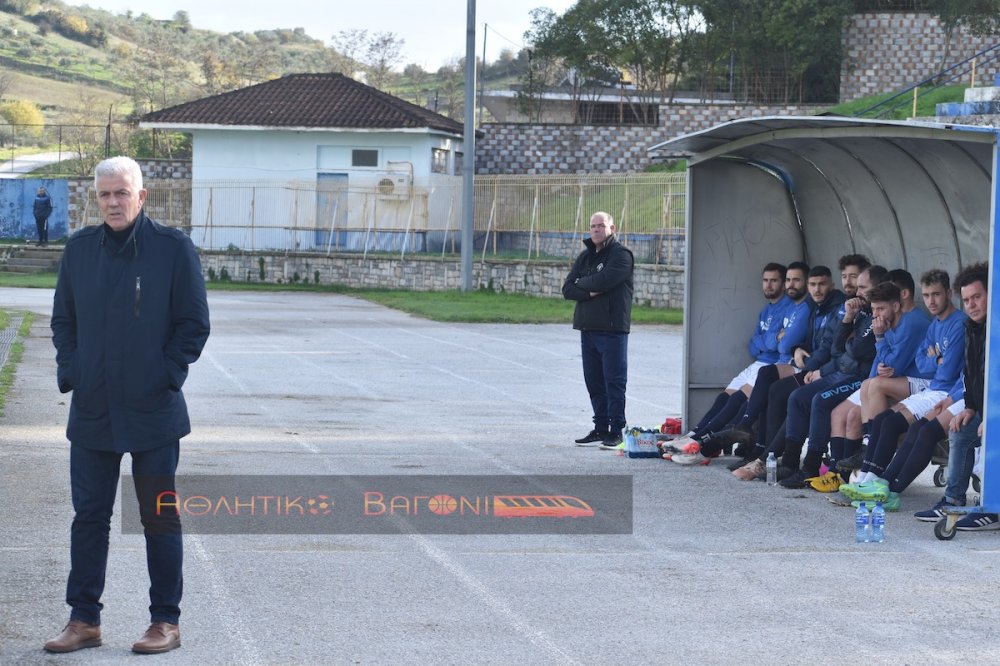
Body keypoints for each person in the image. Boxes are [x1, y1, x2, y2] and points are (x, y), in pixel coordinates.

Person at [46, 156, 211, 654]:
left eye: (122, 193)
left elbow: (193, 324)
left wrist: (165, 375)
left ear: (142, 196)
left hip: (153, 410)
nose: (113, 202)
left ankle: (165, 622)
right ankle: (84, 619)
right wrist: (74, 371)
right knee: (88, 516)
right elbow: (63, 321)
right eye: (104, 195)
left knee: (159, 515)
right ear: (95, 199)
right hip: (93, 410)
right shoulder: (79, 250)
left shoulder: (172, 249)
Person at [837, 269, 965, 502]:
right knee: (884, 420)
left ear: (949, 293)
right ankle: (867, 478)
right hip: (934, 386)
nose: (931, 301)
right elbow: (921, 361)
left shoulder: (958, 323)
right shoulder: (935, 324)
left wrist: (933, 359)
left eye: (936, 294)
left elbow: (946, 370)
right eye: (926, 295)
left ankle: (878, 484)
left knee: (894, 423)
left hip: (945, 390)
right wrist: (936, 359)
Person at [665, 262, 789, 463]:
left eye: (774, 281)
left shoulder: (789, 308)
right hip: (757, 363)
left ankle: (701, 444)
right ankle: (693, 434)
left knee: (736, 401)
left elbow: (773, 345)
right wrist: (770, 340)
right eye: (766, 280)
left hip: (772, 366)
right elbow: (754, 344)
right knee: (723, 398)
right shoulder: (766, 311)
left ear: (783, 284)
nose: (768, 285)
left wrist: (767, 341)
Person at [914, 262, 995, 530]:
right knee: (960, 428)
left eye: (977, 297)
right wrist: (971, 407)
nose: (971, 305)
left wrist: (993, 415)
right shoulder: (972, 327)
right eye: (967, 299)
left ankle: (993, 509)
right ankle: (954, 502)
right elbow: (972, 374)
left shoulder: (995, 327)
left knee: (991, 433)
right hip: (985, 407)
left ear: (991, 293)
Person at [564, 211, 635, 449]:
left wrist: (582, 285)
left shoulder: (621, 255)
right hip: (588, 328)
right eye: (592, 226)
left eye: (601, 226)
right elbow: (567, 289)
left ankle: (616, 430)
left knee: (613, 381)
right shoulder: (585, 257)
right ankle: (600, 427)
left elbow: (606, 281)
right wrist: (588, 288)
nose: (596, 229)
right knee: (594, 381)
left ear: (612, 228)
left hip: (612, 329)